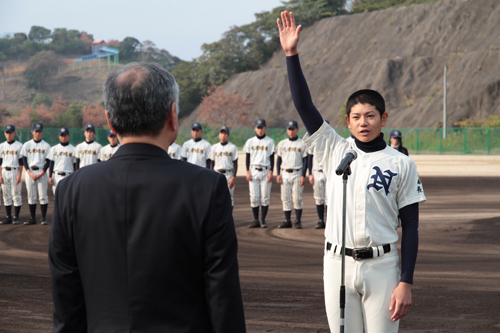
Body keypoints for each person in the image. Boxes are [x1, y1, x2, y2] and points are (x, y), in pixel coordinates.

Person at [48, 62, 245, 333]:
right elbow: (223, 299)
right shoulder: (207, 188)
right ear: (172, 116)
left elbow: (66, 304)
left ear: (110, 121)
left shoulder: (71, 190)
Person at [278, 11, 426, 332]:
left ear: (383, 119)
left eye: (370, 115)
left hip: (382, 266)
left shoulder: (400, 162)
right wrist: (291, 54)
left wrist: (406, 282)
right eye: (356, 117)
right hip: (337, 265)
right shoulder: (334, 148)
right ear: (347, 121)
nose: (363, 122)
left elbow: (411, 226)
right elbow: (305, 106)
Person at [243, 119, 275, 228]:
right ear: (255, 128)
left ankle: (263, 220)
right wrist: (247, 171)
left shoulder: (270, 141)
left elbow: (272, 157)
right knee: (254, 197)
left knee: (265, 197)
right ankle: (255, 219)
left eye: (262, 127)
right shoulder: (250, 141)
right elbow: (247, 158)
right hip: (254, 171)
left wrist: (271, 171)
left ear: (265, 128)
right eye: (258, 127)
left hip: (266, 170)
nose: (260, 129)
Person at [276, 120, 307, 229]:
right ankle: (287, 220)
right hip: (284, 173)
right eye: (289, 129)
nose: (291, 131)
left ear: (297, 129)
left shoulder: (302, 143)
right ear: (287, 130)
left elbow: (305, 160)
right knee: (285, 198)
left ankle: (298, 221)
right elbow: (278, 159)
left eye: (293, 129)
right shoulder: (282, 144)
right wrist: (278, 174)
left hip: (297, 173)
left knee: (297, 198)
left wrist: (303, 175)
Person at [21, 123, 51, 225]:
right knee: (31, 196)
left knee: (43, 196)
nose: (37, 133)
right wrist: (28, 172)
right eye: (36, 131)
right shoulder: (27, 145)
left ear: (42, 132)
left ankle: (43, 218)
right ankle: (32, 218)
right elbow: (24, 160)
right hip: (30, 172)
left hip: (41, 172)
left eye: (39, 131)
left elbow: (48, 161)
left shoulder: (46, 146)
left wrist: (42, 173)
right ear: (32, 132)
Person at [209, 125, 238, 210]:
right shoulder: (214, 147)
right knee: (216, 197)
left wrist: (234, 176)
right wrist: (211, 176)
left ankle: (229, 220)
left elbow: (235, 163)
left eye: (225, 133)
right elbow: (211, 162)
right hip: (217, 174)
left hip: (229, 174)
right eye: (221, 133)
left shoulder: (232, 147)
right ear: (218, 135)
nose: (223, 135)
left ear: (228, 135)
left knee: (230, 198)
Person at [0, 125, 24, 225]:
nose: (8, 135)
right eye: (7, 133)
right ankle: (8, 216)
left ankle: (16, 217)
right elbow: (0, 162)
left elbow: (21, 162)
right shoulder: (1, 146)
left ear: (14, 133)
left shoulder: (19, 146)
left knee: (16, 194)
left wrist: (19, 175)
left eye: (10, 133)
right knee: (6, 195)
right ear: (5, 133)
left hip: (15, 171)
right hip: (4, 171)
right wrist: (0, 175)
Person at [48, 127, 76, 194]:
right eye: (62, 135)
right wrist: (50, 176)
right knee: (57, 198)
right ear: (59, 136)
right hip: (57, 176)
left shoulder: (73, 149)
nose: (63, 137)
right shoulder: (54, 149)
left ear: (68, 136)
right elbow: (51, 163)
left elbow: (75, 165)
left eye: (65, 135)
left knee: (68, 197)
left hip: (69, 175)